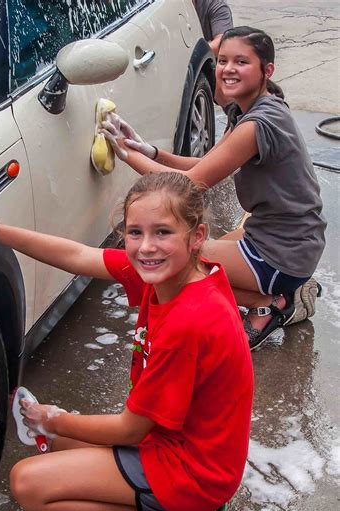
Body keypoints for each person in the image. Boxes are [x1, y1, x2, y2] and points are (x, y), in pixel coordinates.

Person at [0, 170, 253, 511]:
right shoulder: (176, 273)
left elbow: (129, 429)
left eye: (162, 232)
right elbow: (77, 256)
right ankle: (187, 508)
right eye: (135, 232)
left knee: (29, 485)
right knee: (55, 446)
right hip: (180, 441)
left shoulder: (190, 321)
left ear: (196, 236)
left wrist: (49, 418)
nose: (146, 247)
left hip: (194, 468)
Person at [101, 26, 326, 351]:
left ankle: (269, 305)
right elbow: (205, 165)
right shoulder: (250, 109)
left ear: (267, 70)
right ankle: (275, 296)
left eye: (241, 61)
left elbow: (189, 185)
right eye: (222, 61)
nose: (228, 69)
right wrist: (147, 149)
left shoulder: (257, 125)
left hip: (287, 249)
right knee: (198, 260)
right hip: (278, 233)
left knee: (177, 263)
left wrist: (127, 155)